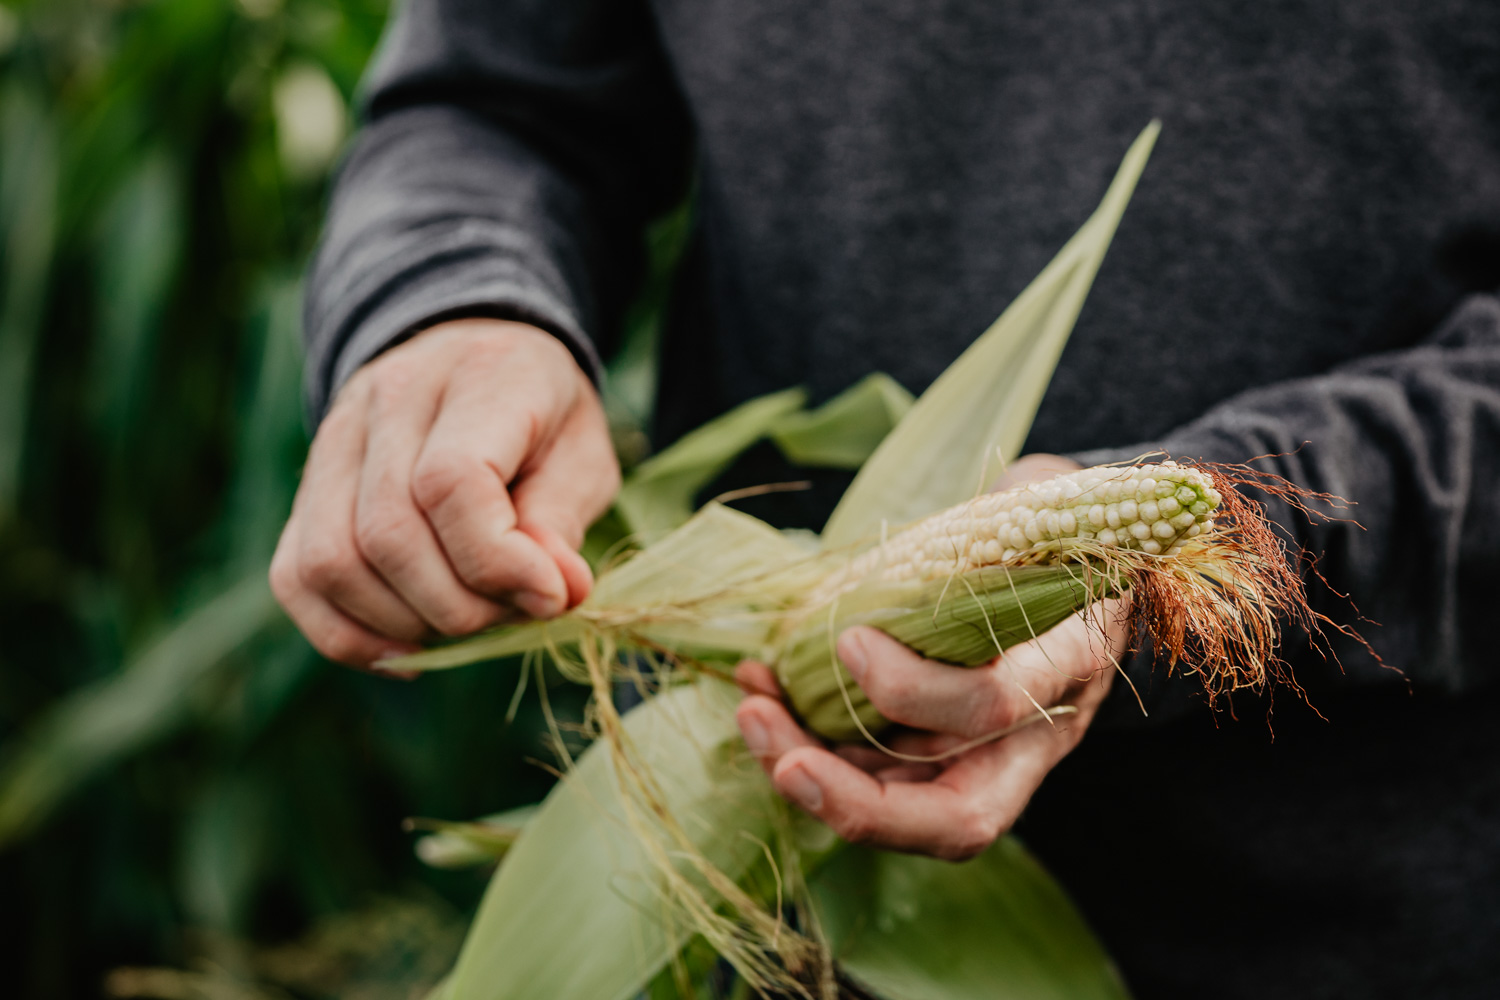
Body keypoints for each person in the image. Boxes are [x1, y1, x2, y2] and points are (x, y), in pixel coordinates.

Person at [271, 1, 1500, 995]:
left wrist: (1242, 534)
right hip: (746, 893)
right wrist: (453, 303)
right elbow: (497, 96)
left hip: (1349, 924)